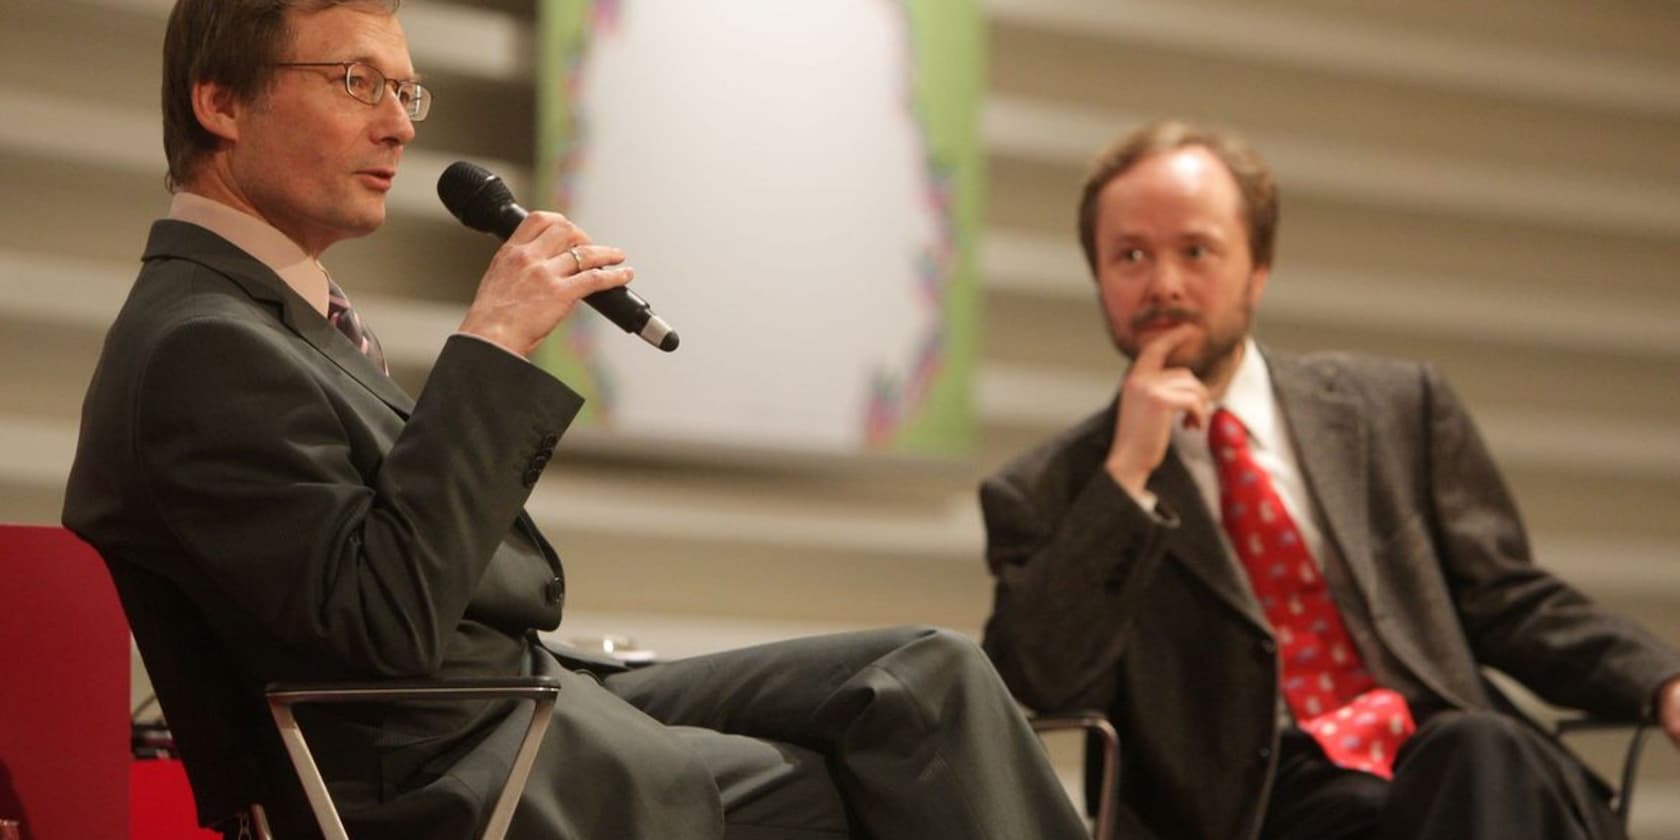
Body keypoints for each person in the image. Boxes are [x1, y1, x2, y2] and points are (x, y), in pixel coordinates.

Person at [61, 1, 1090, 838]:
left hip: (521, 700)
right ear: (220, 102)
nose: (401, 122)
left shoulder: (275, 321)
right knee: (863, 783)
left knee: (928, 677)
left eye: (404, 87)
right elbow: (383, 622)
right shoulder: (196, 342)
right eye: (355, 82)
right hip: (441, 771)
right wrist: (492, 345)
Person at [978, 118, 1680, 840]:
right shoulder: (1049, 490)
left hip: (1459, 765)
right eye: (1130, 256)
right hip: (1268, 804)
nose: (1165, 285)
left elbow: (1510, 600)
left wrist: (1659, 680)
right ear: (1098, 276)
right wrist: (1125, 480)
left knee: (1475, 748)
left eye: (1197, 251)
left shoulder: (1393, 410)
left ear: (1258, 267)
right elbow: (1037, 681)